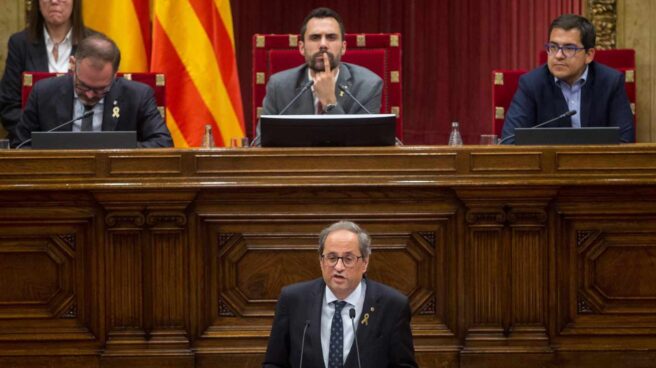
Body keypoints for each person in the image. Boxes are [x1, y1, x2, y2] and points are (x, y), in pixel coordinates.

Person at [262, 220, 418, 368]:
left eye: (348, 259)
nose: (338, 266)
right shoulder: (293, 300)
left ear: (364, 263)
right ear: (321, 261)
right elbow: (274, 363)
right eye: (332, 258)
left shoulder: (392, 305)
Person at [14, 33, 173, 148]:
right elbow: (20, 146)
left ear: (114, 75)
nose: (90, 94)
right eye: (82, 86)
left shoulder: (138, 96)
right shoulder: (43, 93)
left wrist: (116, 152)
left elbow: (163, 144)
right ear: (72, 64)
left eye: (100, 89)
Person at [252, 7, 383, 146]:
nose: (323, 45)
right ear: (301, 47)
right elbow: (261, 143)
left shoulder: (368, 86)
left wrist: (330, 102)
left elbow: (364, 148)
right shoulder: (279, 86)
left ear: (343, 47)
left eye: (331, 37)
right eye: (315, 38)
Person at [501, 14, 634, 144]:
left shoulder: (610, 82)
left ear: (589, 55)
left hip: (597, 164)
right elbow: (510, 141)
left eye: (569, 48)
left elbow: (624, 141)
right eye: (553, 47)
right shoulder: (531, 84)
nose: (558, 55)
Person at [0, 0, 94, 142]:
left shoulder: (94, 43)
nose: (54, 1)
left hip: (82, 143)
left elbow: (101, 102)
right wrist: (37, 138)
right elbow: (8, 104)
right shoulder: (20, 43)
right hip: (31, 143)